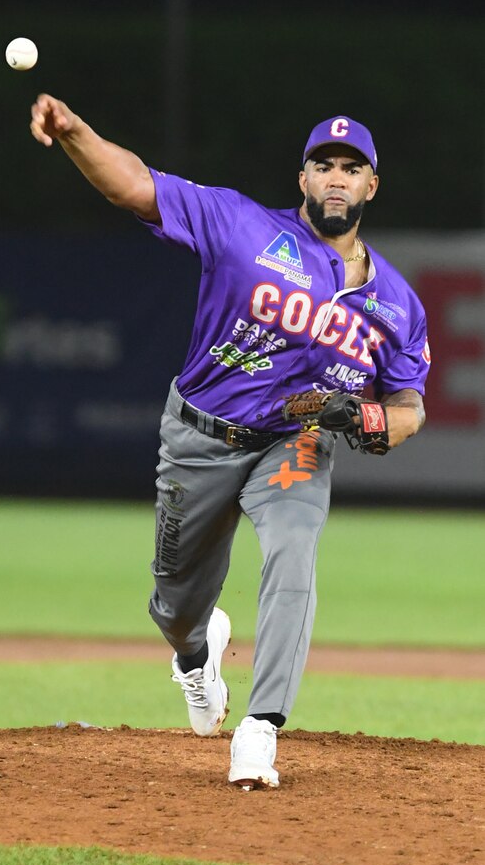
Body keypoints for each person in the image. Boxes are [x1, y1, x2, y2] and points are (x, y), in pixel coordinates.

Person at [30, 97, 429, 789]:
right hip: (199, 437)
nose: (336, 177)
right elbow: (135, 186)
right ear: (302, 179)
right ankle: (195, 653)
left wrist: (367, 422)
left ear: (371, 185)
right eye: (323, 165)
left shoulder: (396, 303)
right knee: (174, 602)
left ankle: (261, 728)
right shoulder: (240, 225)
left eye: (351, 167)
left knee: (293, 551)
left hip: (295, 443)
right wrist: (74, 134)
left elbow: (408, 405)